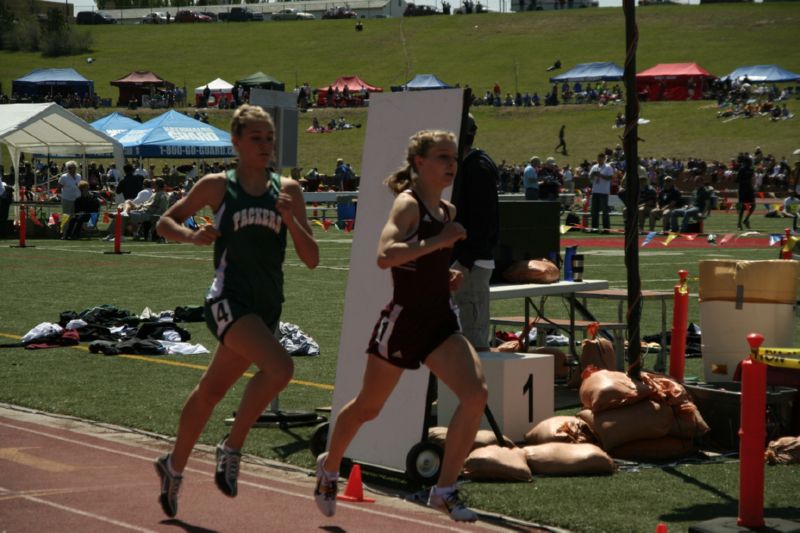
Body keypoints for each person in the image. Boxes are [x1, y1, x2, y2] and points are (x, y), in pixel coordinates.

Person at [152, 105, 319, 518]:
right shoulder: (216, 186)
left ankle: (172, 467)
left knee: (211, 391)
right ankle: (232, 446)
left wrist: (290, 219)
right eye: (256, 138)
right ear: (237, 142)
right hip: (227, 300)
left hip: (266, 307)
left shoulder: (289, 191)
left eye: (269, 138)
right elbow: (164, 222)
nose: (265, 145)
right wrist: (192, 237)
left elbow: (312, 257)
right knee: (280, 368)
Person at [314, 130, 488, 523]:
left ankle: (443, 490)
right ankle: (330, 463)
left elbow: (423, 263)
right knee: (368, 408)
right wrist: (439, 242)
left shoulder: (448, 211)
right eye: (442, 157)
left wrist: (444, 276)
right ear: (419, 163)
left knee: (476, 394)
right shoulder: (409, 206)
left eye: (454, 157)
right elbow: (385, 255)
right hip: (404, 320)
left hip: (440, 320)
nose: (450, 164)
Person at [451, 114, 499, 351]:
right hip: (469, 260)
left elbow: (483, 220)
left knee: (473, 335)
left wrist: (465, 260)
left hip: (471, 261)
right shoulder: (471, 165)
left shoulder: (477, 168)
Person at [588, 152, 613, 233]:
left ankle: (606, 229)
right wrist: (592, 174)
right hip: (595, 191)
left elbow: (610, 178)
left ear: (604, 159)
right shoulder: (594, 167)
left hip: (604, 192)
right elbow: (589, 177)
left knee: (605, 211)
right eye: (598, 158)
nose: (599, 159)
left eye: (601, 158)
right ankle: (594, 228)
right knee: (594, 211)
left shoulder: (608, 167)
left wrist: (600, 175)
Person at [737, 155, 756, 230]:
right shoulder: (741, 169)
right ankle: (739, 224)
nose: (751, 163)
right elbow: (737, 180)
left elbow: (752, 178)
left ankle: (746, 220)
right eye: (750, 161)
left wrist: (753, 187)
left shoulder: (751, 169)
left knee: (753, 205)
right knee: (742, 208)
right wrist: (745, 181)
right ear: (746, 162)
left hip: (750, 189)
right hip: (743, 190)